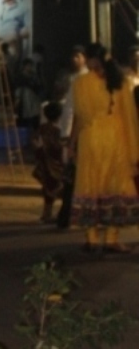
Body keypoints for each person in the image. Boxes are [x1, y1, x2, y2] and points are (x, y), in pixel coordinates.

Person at [70, 43, 139, 253]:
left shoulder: (81, 83)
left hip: (92, 140)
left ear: (91, 59)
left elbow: (81, 117)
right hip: (116, 140)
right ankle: (111, 239)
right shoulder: (121, 82)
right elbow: (129, 117)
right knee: (115, 186)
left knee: (91, 185)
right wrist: (134, 148)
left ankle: (92, 238)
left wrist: (71, 143)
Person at [55, 44, 87, 230]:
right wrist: (66, 134)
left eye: (78, 56)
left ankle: (70, 216)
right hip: (75, 134)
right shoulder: (75, 79)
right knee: (71, 178)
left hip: (84, 135)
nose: (74, 59)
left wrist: (68, 136)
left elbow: (77, 113)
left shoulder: (86, 80)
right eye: (73, 56)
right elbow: (69, 110)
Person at [32, 100, 65, 223]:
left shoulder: (41, 129)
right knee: (57, 188)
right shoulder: (58, 131)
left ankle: (47, 213)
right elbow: (58, 148)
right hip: (55, 165)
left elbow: (34, 142)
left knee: (47, 189)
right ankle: (51, 214)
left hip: (43, 163)